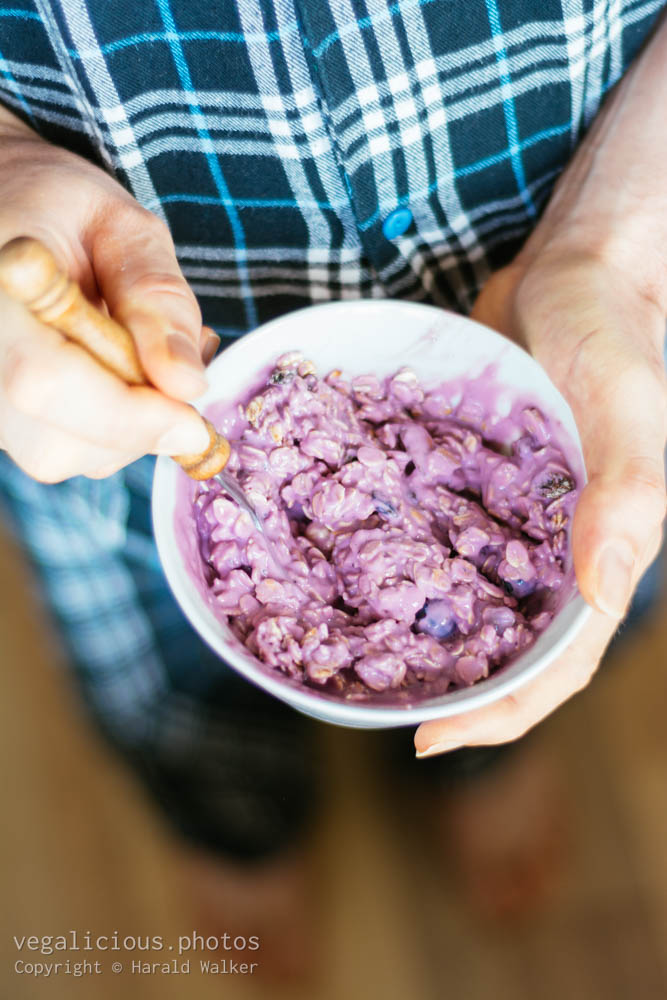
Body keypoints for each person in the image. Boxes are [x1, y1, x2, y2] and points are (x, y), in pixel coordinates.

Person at [0, 0, 665, 939]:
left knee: (536, 661)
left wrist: (617, 247)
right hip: (93, 399)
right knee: (166, 682)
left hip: (582, 297)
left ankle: (482, 762)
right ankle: (236, 823)